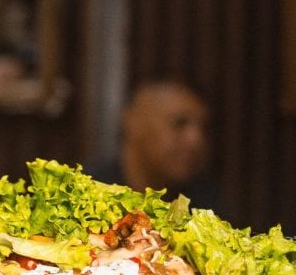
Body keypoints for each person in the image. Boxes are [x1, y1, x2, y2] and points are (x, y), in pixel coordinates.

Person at [89, 79, 221, 212]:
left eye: (205, 128)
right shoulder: (89, 194)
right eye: (179, 123)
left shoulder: (207, 205)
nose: (195, 140)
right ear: (133, 122)